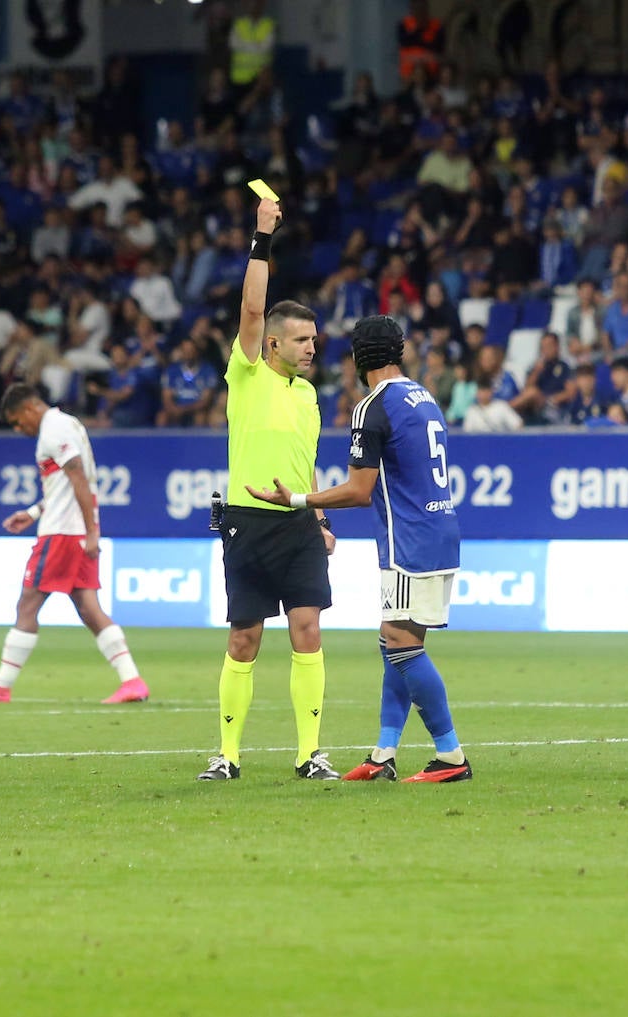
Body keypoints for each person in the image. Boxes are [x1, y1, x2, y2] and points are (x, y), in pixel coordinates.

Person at [247, 315, 471, 783]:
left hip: (409, 540)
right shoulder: (424, 396)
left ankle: (451, 757)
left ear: (356, 358)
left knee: (402, 645)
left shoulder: (373, 406)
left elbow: (358, 490)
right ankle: (383, 753)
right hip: (439, 530)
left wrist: (298, 500)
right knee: (395, 642)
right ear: (401, 351)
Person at [197, 195, 339, 782]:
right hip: (248, 523)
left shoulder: (309, 396)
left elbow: (304, 463)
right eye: (302, 339)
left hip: (298, 524)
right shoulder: (248, 372)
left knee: (308, 631)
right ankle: (227, 756)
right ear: (273, 344)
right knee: (244, 639)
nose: (312, 347)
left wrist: (320, 518)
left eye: (314, 338)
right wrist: (263, 234)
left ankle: (309, 754)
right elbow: (252, 309)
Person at [0, 384, 149, 705]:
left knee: (28, 603)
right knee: (88, 608)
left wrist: (91, 532)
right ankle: (133, 681)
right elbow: (64, 486)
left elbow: (78, 478)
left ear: (30, 409)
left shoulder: (53, 429)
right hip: (72, 530)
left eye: (18, 421)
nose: (20, 429)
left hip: (62, 534)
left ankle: (1, 686)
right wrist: (33, 513)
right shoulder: (66, 424)